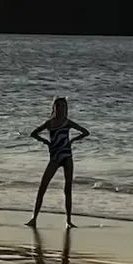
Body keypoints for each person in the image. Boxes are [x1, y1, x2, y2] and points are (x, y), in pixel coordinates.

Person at [28, 95, 89, 226]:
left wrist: (73, 140)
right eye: (58, 106)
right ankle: (34, 218)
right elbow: (34, 133)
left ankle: (68, 220)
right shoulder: (49, 123)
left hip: (67, 157)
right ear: (54, 108)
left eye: (62, 106)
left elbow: (85, 132)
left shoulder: (67, 122)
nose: (60, 108)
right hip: (54, 157)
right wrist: (46, 142)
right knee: (43, 186)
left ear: (66, 108)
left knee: (67, 189)